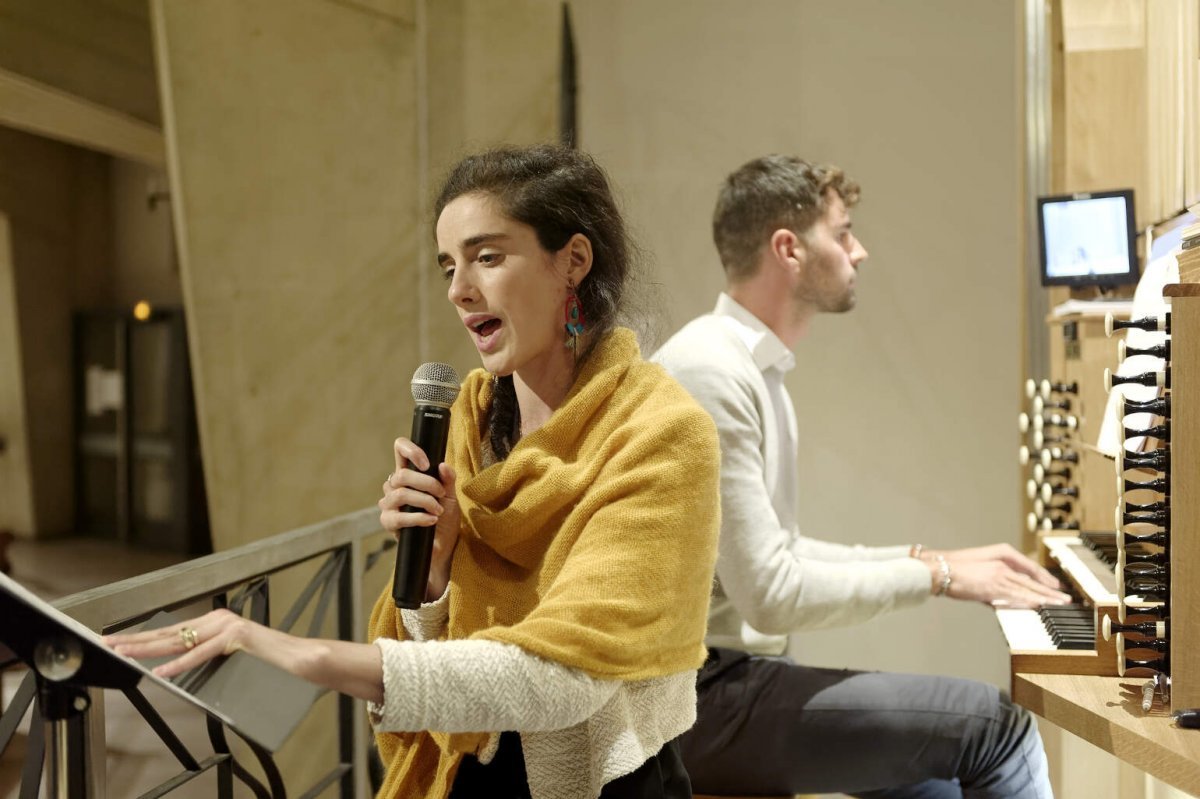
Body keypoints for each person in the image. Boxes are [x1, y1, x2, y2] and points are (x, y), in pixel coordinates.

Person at [107, 144, 721, 799]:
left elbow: (565, 677)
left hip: (600, 781)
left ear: (572, 260)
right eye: (449, 265)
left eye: (487, 256)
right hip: (464, 764)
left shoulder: (662, 433)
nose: (460, 290)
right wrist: (432, 575)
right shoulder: (472, 418)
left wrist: (312, 656)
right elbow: (444, 637)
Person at [652, 154, 1069, 798]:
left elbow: (780, 552)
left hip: (733, 679)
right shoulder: (710, 370)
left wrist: (931, 558)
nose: (860, 251)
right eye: (843, 232)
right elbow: (769, 591)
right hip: (694, 700)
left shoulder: (750, 369)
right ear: (788, 249)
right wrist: (941, 577)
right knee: (997, 729)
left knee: (930, 779)